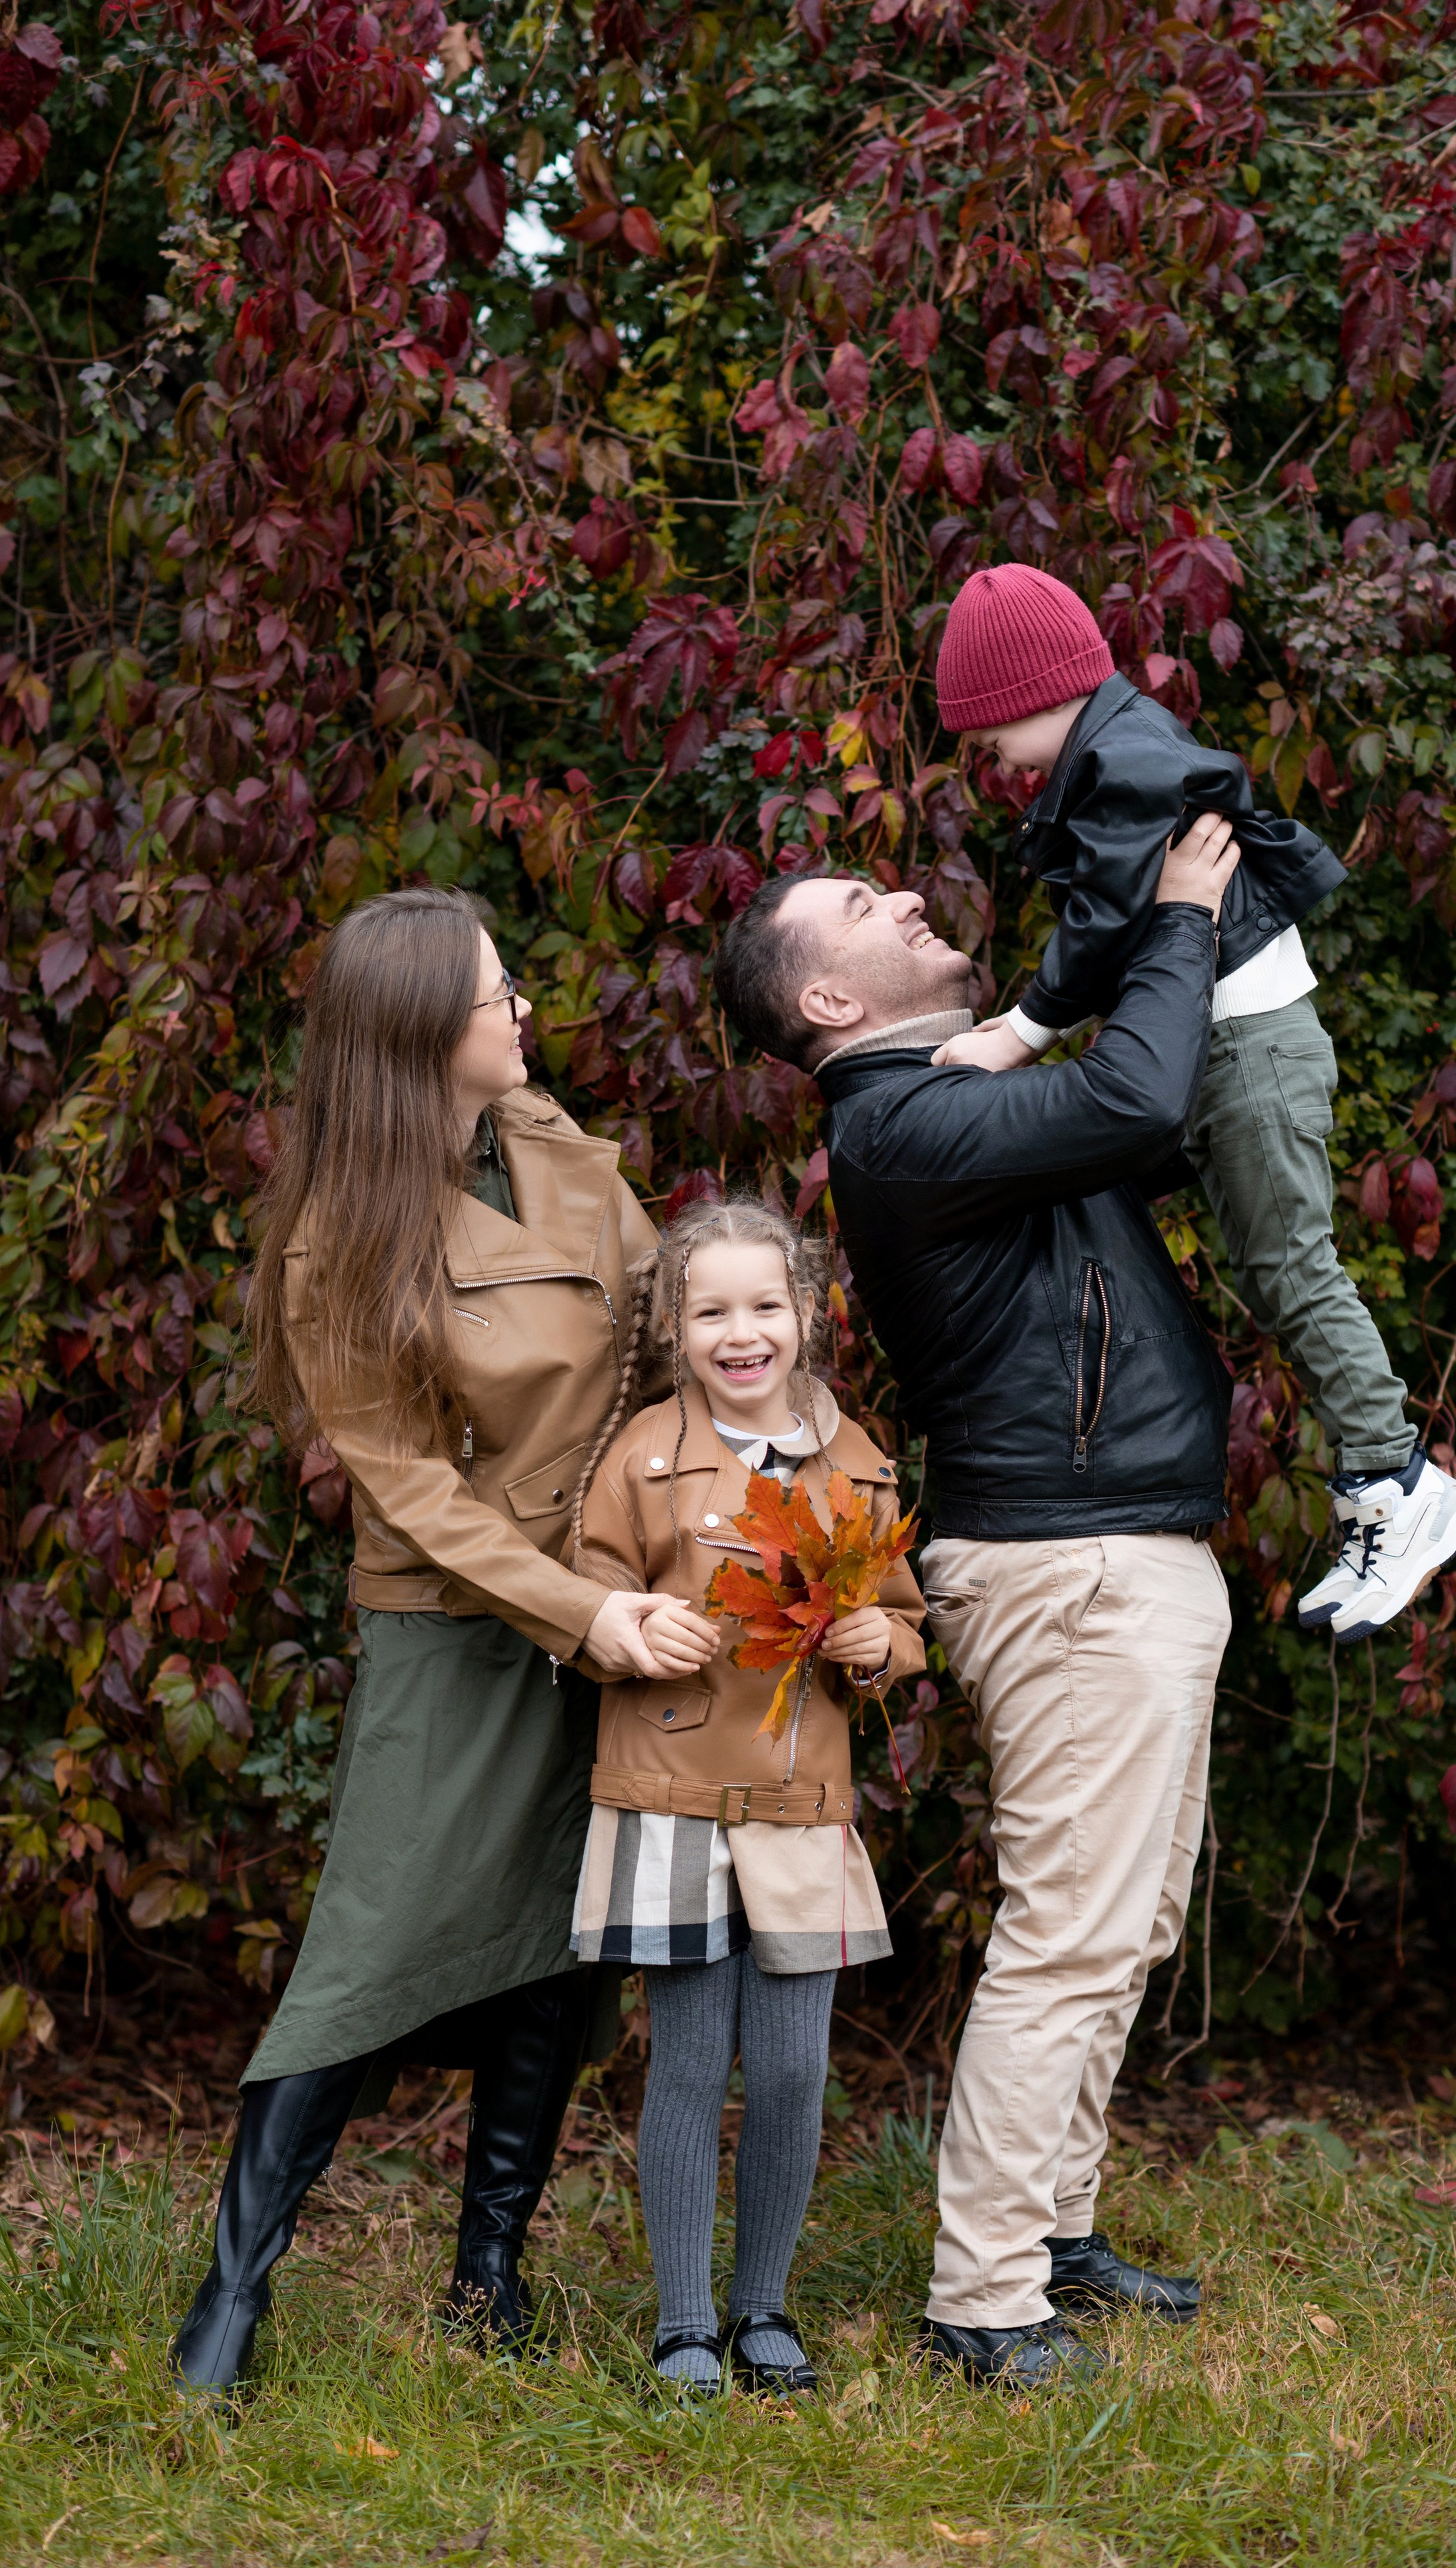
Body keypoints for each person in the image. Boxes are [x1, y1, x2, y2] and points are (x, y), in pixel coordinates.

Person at [169, 886, 715, 2402]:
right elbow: (407, 1495)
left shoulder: (551, 1146)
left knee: (558, 1947)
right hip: (461, 1629)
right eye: (494, 995)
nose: (522, 1010)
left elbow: (661, 1317)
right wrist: (583, 1610)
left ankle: (489, 2277)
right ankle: (230, 2302)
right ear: (420, 1032)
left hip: (611, 1602)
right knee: (369, 1950)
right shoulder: (343, 1230)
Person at [712, 818, 1236, 2387]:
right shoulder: (891, 1126)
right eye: (858, 905)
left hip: (1122, 1547)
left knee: (1123, 1923)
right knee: (1072, 1934)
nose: (900, 893)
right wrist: (1182, 916)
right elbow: (1140, 1086)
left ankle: (1054, 2230)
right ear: (827, 1006)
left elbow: (1161, 1124)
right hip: (1069, 1564)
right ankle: (984, 2298)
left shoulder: (963, 1099)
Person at [930, 562, 1456, 1637]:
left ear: (1024, 695)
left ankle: (1395, 1484)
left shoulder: (1131, 763)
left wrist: (1023, 1030)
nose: (988, 758)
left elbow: (1101, 924)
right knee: (1146, 1218)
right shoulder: (1115, 754)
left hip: (1248, 1052)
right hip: (1219, 1051)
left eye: (987, 732)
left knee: (1291, 1268)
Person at [566, 1198, 925, 2398]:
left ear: (807, 1315)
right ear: (674, 1323)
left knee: (789, 2070)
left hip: (801, 1803)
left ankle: (764, 2308)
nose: (740, 1332)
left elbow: (909, 1623)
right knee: (686, 2063)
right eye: (709, 1309)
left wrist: (881, 1642)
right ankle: (683, 2321)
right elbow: (583, 1601)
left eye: (764, 1305)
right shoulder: (643, 1457)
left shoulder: (857, 1460)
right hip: (670, 1789)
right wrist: (624, 1633)